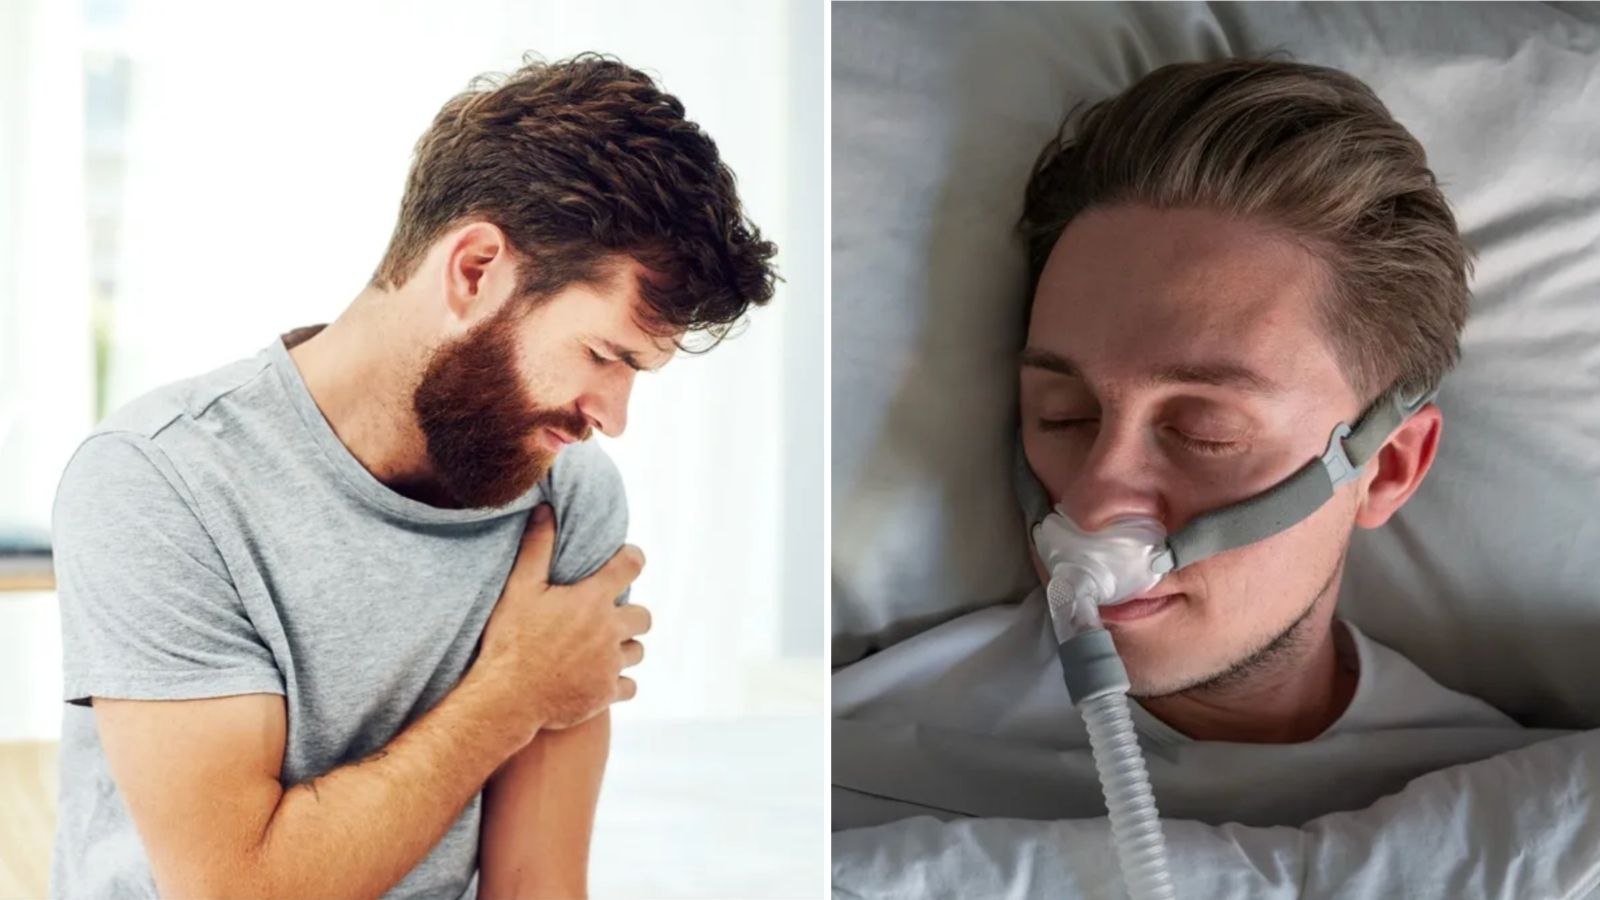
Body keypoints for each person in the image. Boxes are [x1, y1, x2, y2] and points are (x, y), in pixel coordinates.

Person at [51, 53, 777, 899]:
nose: (611, 417)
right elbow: (239, 888)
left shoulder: (566, 491)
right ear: (475, 270)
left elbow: (536, 882)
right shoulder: (159, 481)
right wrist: (515, 692)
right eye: (604, 355)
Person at [833, 59, 1531, 830]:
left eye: (1205, 432)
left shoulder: (1510, 807)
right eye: (1064, 416)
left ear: (1389, 467)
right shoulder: (849, 750)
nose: (1097, 500)